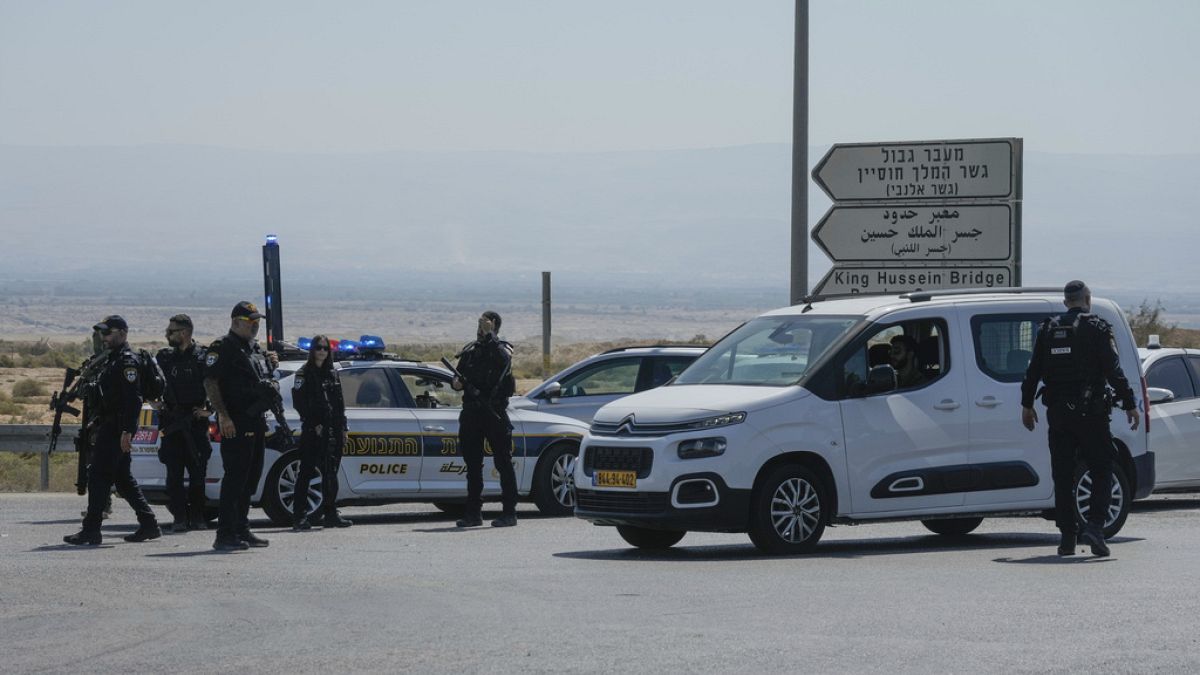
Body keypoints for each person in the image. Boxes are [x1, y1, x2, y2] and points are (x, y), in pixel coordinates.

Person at [1021, 280, 1140, 557]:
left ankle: (1067, 537)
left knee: (1062, 475)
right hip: (1092, 415)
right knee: (1101, 468)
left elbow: (1033, 371)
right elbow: (1113, 370)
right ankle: (1095, 527)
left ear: (1065, 302)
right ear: (1087, 299)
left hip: (1059, 416)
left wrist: (1027, 405)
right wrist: (1131, 404)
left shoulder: (1048, 329)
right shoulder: (1097, 328)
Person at [64, 316, 161, 545]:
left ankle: (91, 530)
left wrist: (127, 431)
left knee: (98, 476)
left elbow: (133, 399)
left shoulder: (127, 361)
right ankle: (149, 524)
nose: (104, 337)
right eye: (102, 334)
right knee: (122, 478)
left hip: (118, 427)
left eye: (108, 333)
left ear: (123, 333)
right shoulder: (111, 360)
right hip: (110, 424)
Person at [203, 301, 279, 551]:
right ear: (236, 321)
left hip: (255, 420)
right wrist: (223, 416)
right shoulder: (223, 347)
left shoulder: (253, 348)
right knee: (235, 478)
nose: (255, 326)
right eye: (250, 321)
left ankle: (242, 529)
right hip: (235, 421)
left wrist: (271, 362)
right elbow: (211, 383)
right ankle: (224, 534)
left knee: (251, 477)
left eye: (257, 321)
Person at [451, 311, 519, 528]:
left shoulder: (502, 348)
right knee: (472, 464)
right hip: (472, 413)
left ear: (495, 326)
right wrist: (457, 383)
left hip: (494, 413)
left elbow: (504, 361)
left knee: (503, 462)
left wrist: (491, 336)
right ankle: (473, 513)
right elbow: (457, 377)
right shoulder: (471, 351)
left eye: (485, 325)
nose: (480, 329)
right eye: (479, 325)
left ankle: (509, 512)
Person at [155, 314, 212, 533]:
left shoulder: (203, 357)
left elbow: (219, 384)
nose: (167, 334)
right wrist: (154, 401)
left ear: (185, 333)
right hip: (172, 424)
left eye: (171, 331)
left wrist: (210, 411)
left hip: (195, 423)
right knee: (173, 477)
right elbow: (148, 380)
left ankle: (197, 518)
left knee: (198, 474)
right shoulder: (165, 358)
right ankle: (179, 518)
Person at [290, 334, 351, 530]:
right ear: (312, 350)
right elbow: (299, 403)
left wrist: (343, 428)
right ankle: (299, 516)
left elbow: (339, 404)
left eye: (325, 348)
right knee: (306, 473)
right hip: (313, 431)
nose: (322, 351)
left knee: (330, 473)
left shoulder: (332, 373)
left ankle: (331, 513)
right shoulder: (303, 373)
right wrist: (313, 423)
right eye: (318, 348)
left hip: (332, 431)